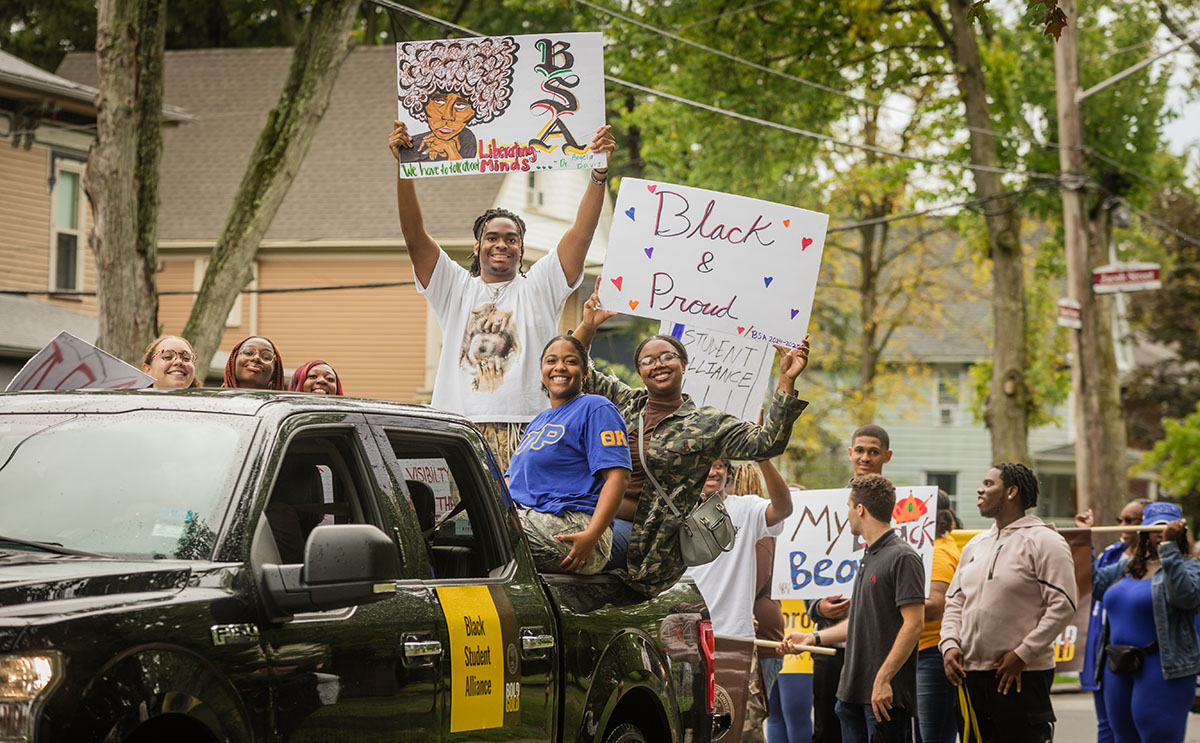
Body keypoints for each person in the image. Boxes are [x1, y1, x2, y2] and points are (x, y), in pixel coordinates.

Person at [388, 119, 615, 472]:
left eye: (511, 239)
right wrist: (405, 169)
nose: (501, 244)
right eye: (493, 237)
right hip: (460, 429)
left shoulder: (539, 286)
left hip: (529, 428)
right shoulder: (455, 287)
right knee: (465, 526)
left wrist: (598, 174)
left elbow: (582, 235)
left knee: (525, 523)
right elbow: (414, 235)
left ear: (521, 250)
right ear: (478, 246)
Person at [572, 279, 810, 597]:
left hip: (645, 545)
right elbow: (573, 372)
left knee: (557, 542)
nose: (657, 364)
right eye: (647, 360)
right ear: (639, 371)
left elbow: (768, 443)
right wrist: (588, 326)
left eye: (667, 357)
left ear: (684, 365)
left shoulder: (706, 424)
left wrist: (786, 380)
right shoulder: (625, 402)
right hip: (591, 515)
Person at [782, 474, 926, 743]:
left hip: (883, 699)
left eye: (849, 506)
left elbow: (914, 624)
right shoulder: (868, 556)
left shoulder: (903, 557)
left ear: (860, 509)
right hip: (851, 694)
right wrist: (812, 638)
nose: (847, 514)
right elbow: (859, 621)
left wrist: (884, 678)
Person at [939, 463, 1076, 743]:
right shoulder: (975, 545)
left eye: (989, 484)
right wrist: (949, 644)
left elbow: (1063, 604)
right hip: (970, 677)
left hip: (1019, 676)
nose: (980, 489)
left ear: (1011, 492)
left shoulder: (1045, 541)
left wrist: (1023, 654)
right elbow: (954, 601)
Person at [683, 458, 792, 742]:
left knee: (739, 732)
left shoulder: (745, 508)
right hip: (686, 641)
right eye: (705, 463)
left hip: (733, 640)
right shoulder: (673, 510)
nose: (713, 470)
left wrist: (764, 459)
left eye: (719, 464)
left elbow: (783, 509)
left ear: (728, 473)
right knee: (689, 732)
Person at [505, 335, 631, 574]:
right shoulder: (538, 422)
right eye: (551, 361)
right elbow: (512, 479)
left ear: (584, 372)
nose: (559, 367)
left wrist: (592, 535)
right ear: (542, 370)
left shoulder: (596, 407)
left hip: (575, 527)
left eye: (570, 361)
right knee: (452, 531)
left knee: (490, 534)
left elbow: (618, 478)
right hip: (526, 519)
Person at [807, 423, 894, 743]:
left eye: (873, 452)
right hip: (832, 645)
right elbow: (807, 566)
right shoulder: (825, 506)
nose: (865, 457)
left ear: (887, 455)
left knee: (878, 729)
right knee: (827, 729)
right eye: (860, 450)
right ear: (849, 454)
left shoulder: (899, 506)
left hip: (879, 647)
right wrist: (818, 606)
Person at [1092, 501, 1200, 743]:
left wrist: (1170, 548)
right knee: (1123, 737)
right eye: (1154, 526)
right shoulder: (1128, 566)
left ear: (1179, 530)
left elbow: (1187, 597)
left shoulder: (1188, 565)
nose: (1159, 531)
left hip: (1161, 667)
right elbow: (1094, 586)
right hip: (1119, 665)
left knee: (1158, 736)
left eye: (1166, 526)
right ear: (1143, 531)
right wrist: (1082, 540)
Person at [1074, 498, 1149, 743]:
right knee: (1107, 725)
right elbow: (1089, 582)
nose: (1122, 526)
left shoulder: (1158, 563)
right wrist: (1084, 537)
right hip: (1106, 649)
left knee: (1140, 724)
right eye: (1120, 520)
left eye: (1130, 520)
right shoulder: (1112, 555)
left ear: (1148, 524)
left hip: (1143, 653)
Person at [396, 37, 518, 163]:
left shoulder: (468, 140)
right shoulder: (410, 144)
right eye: (439, 101)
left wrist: (453, 153)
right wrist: (400, 159)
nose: (447, 116)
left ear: (480, 108)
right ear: (420, 102)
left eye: (460, 105)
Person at [914, 491, 961, 743]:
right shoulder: (934, 549)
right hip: (924, 653)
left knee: (933, 737)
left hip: (933, 654)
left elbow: (935, 604)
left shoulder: (940, 553)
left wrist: (888, 608)